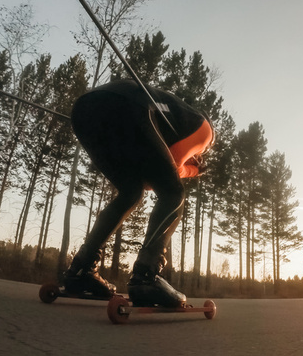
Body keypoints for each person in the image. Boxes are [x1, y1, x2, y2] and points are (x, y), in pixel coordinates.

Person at [62, 79, 214, 308]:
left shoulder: (171, 120)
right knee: (173, 193)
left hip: (86, 110)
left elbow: (148, 181)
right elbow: (166, 175)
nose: (198, 155)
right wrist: (193, 170)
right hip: (128, 106)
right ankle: (146, 276)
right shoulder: (204, 131)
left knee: (130, 192)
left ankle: (80, 270)